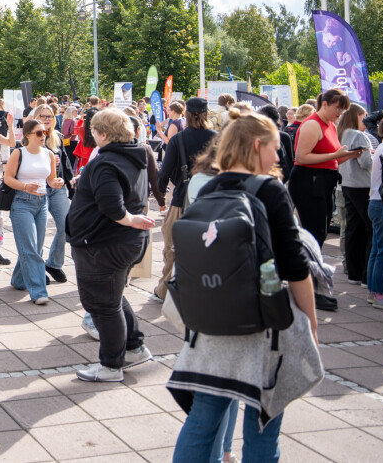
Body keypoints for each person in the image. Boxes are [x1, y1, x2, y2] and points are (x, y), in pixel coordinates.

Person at [169, 111, 319, 461]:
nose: (279, 155)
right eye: (274, 146)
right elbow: (295, 266)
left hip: (212, 321)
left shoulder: (209, 187)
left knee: (203, 418)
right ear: (256, 145)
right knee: (264, 420)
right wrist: (310, 320)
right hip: (262, 322)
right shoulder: (270, 189)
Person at [66, 108, 155, 382]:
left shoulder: (107, 162)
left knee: (102, 305)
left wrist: (130, 220)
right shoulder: (133, 154)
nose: (90, 136)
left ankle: (111, 365)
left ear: (103, 134)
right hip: (117, 243)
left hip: (102, 245)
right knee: (113, 298)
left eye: (92, 131)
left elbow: (112, 205)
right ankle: (134, 347)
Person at [154, 97, 218, 301]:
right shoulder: (218, 138)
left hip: (182, 199)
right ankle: (204, 289)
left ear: (187, 115)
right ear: (207, 114)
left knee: (173, 248)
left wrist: (161, 196)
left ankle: (166, 291)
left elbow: (163, 173)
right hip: (212, 203)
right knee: (209, 249)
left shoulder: (178, 139)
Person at [290, 89, 364, 248]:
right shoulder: (312, 124)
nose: (341, 112)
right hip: (309, 181)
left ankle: (311, 267)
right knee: (315, 232)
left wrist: (351, 154)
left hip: (322, 182)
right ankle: (307, 268)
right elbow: (301, 157)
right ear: (325, 104)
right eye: (338, 108)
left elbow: (333, 159)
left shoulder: (330, 125)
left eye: (343, 109)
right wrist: (335, 155)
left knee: (320, 231)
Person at [4, 119, 62, 304]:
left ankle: (19, 279)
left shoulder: (49, 154)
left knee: (35, 247)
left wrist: (56, 183)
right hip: (22, 203)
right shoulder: (18, 153)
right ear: (27, 135)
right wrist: (24, 186)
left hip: (41, 203)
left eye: (45, 132)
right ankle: (38, 292)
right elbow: (7, 178)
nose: (43, 136)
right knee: (29, 248)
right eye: (38, 133)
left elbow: (51, 179)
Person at [33, 104, 73, 283]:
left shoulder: (57, 137)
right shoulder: (30, 137)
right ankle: (37, 267)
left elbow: (66, 163)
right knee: (38, 233)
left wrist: (72, 185)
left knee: (66, 226)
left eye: (50, 116)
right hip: (38, 190)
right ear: (36, 117)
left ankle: (54, 264)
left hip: (57, 188)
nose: (47, 119)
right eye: (43, 116)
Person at [337, 102, 373, 285]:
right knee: (370, 229)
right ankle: (367, 276)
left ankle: (354, 273)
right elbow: (366, 164)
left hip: (346, 184)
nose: (365, 120)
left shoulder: (341, 133)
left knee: (353, 228)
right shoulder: (359, 136)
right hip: (362, 185)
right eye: (363, 116)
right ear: (355, 116)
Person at [368, 115, 383, 311]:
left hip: (376, 201)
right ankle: (380, 295)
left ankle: (373, 292)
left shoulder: (382, 149)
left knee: (377, 249)